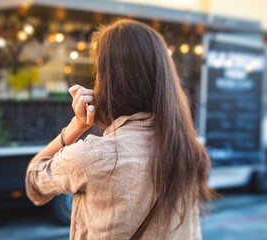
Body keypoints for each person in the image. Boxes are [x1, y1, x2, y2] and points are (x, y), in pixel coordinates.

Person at [25, 19, 214, 239]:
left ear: (109, 82)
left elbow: (34, 181)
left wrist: (77, 125)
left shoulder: (95, 156)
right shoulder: (190, 150)